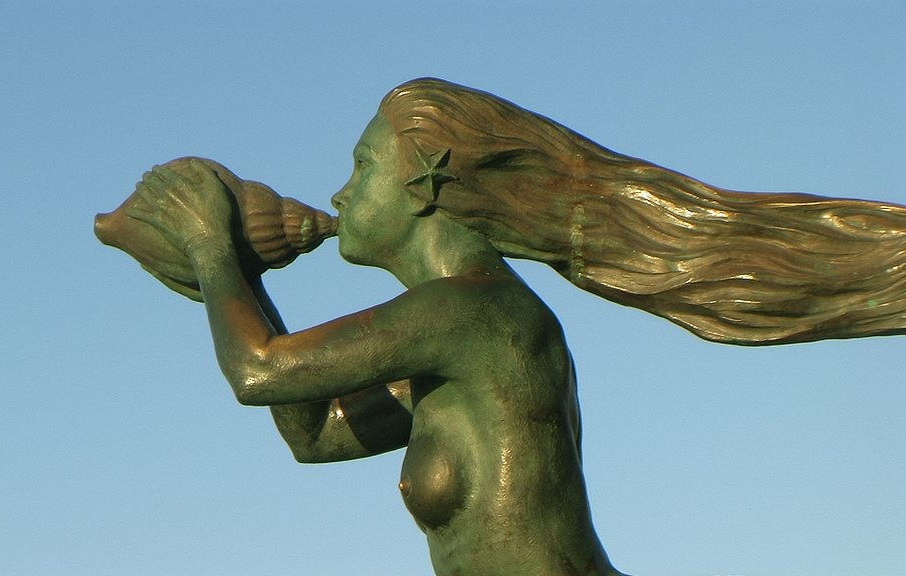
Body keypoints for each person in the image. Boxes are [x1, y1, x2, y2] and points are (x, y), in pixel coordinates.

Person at [127, 78, 905, 576]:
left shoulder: (475, 312)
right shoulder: (456, 343)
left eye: (361, 167)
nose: (340, 191)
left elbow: (260, 371)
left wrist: (208, 245)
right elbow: (314, 434)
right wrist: (236, 279)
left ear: (421, 186)